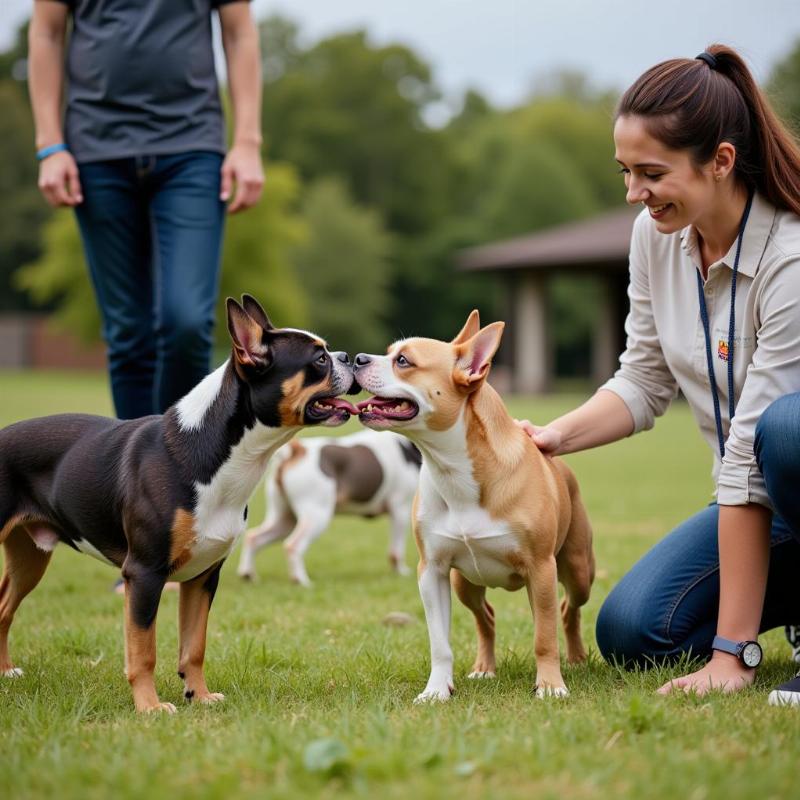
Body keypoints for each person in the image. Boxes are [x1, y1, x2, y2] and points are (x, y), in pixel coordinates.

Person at [516, 44, 800, 705]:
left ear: (722, 161)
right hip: (767, 504)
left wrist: (733, 655)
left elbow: (753, 454)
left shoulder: (790, 259)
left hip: (780, 464)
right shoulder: (655, 236)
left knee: (787, 431)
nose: (633, 193)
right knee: (637, 631)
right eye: (624, 172)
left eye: (651, 172)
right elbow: (644, 379)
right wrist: (553, 437)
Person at [28, 0, 264, 420]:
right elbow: (46, 32)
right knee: (128, 335)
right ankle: (138, 477)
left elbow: (240, 32)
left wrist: (247, 142)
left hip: (191, 149)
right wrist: (49, 144)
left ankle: (183, 463)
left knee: (186, 322)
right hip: (96, 153)